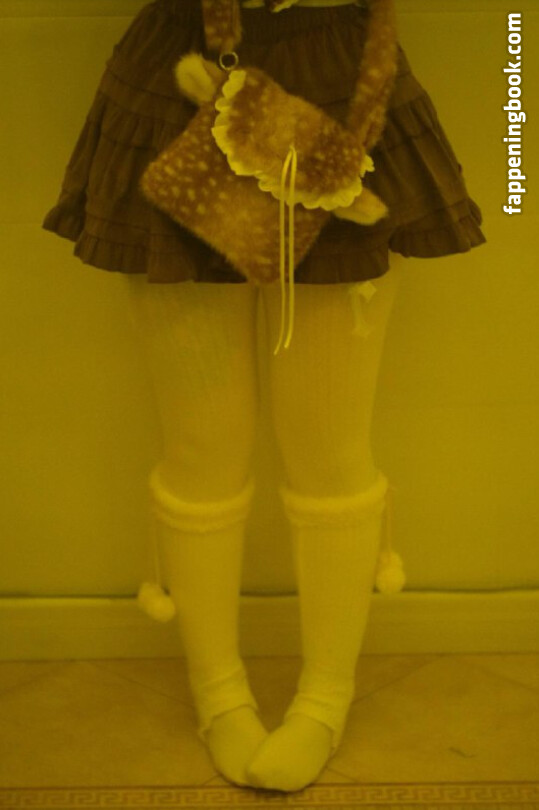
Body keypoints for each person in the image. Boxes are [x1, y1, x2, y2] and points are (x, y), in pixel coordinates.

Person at [42, 0, 486, 793]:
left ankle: (325, 697)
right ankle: (218, 694)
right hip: (177, 78)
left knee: (330, 448)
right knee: (201, 447)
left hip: (345, 80)